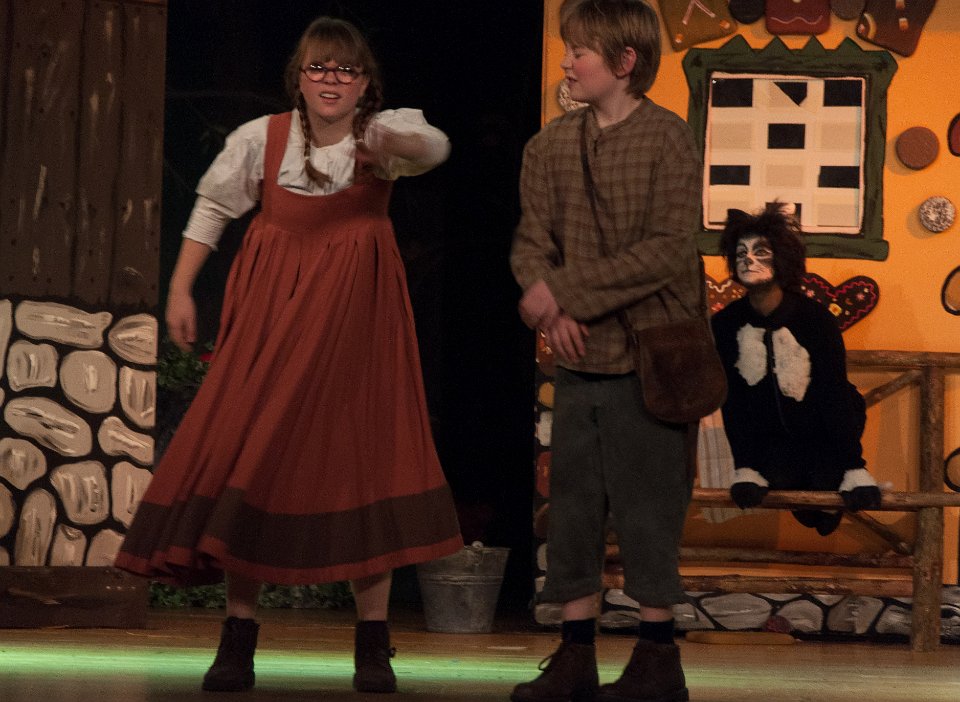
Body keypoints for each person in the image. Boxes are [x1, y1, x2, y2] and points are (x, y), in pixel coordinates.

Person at [114, 16, 462, 695]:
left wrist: (385, 135)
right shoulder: (262, 138)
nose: (331, 80)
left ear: (365, 82)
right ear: (298, 78)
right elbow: (212, 207)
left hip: (356, 318)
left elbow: (435, 147)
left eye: (346, 69)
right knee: (257, 450)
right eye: (318, 68)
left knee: (363, 459)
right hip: (275, 307)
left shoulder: (380, 137)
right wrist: (180, 288)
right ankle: (238, 637)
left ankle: (373, 643)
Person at [510, 1, 702, 700]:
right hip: (580, 354)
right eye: (567, 49)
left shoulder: (668, 138)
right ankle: (575, 655)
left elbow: (668, 248)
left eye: (581, 51)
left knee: (648, 507)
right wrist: (552, 306)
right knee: (573, 507)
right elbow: (532, 239)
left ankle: (657, 658)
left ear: (625, 61)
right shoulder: (549, 146)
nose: (567, 62)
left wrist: (565, 293)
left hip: (651, 356)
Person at [712, 205, 882, 535]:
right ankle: (814, 507)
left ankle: (829, 497)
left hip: (822, 438)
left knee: (825, 488)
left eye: (761, 252)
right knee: (787, 484)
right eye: (741, 253)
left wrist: (854, 467)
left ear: (782, 258)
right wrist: (746, 466)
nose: (748, 260)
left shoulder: (815, 319)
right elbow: (733, 402)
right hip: (772, 445)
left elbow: (834, 393)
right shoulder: (726, 323)